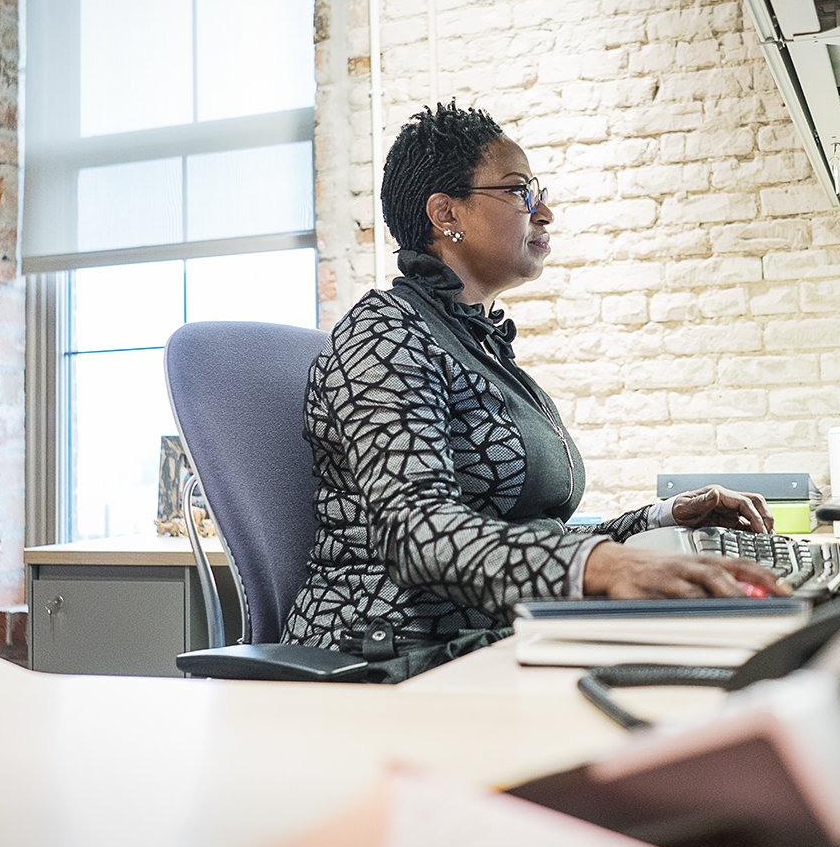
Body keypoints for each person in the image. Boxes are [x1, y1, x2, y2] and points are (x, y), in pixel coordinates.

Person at [282, 101, 790, 681]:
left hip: (487, 637)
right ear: (446, 212)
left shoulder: (475, 343)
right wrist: (599, 566)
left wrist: (660, 519)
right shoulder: (383, 338)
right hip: (390, 656)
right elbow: (417, 534)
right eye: (520, 192)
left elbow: (528, 536)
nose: (544, 212)